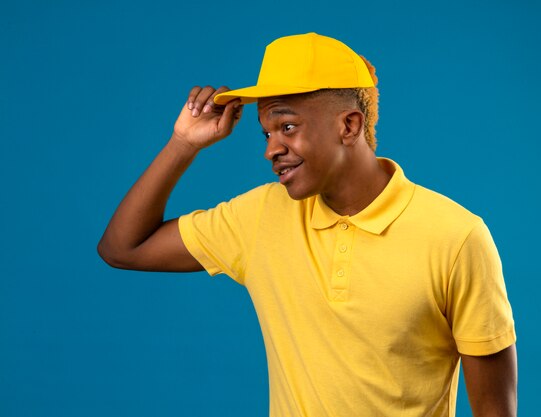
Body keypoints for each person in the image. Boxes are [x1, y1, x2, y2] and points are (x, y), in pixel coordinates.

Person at [98, 32, 517, 417]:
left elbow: (494, 408)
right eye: (266, 134)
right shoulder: (259, 216)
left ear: (348, 125)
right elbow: (123, 248)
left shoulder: (456, 236)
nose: (271, 150)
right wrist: (183, 144)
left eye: (288, 126)